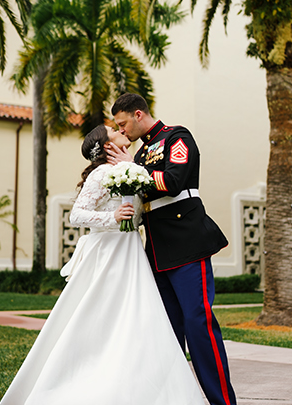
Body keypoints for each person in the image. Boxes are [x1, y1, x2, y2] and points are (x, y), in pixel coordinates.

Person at [0, 124, 207, 404]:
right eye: (115, 130)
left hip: (132, 251)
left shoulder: (134, 169)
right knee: (103, 316)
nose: (122, 131)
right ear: (107, 145)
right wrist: (113, 219)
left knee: (140, 317)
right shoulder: (100, 174)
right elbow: (76, 215)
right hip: (108, 254)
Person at [109, 94, 235, 405]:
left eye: (123, 124)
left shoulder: (176, 137)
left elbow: (175, 180)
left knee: (198, 325)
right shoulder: (138, 156)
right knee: (167, 333)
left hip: (187, 243)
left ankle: (223, 402)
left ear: (139, 114)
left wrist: (132, 170)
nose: (121, 131)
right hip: (157, 250)